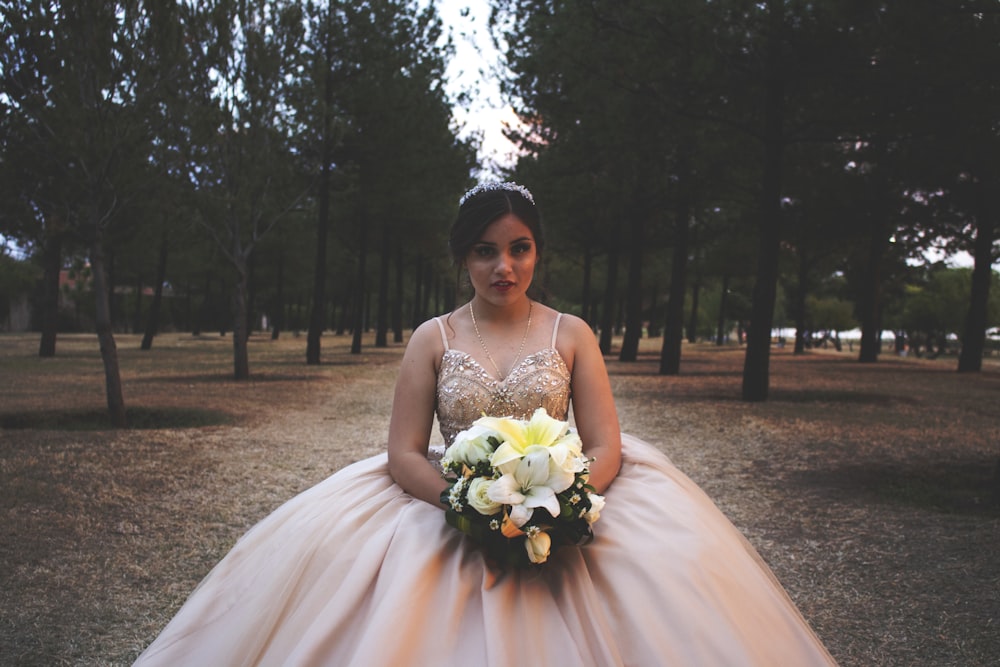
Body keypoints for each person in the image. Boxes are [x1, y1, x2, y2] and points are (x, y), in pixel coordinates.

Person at [135, 182, 836, 666]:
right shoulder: (431, 338)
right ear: (462, 256)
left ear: (538, 251)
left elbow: (605, 443)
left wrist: (558, 504)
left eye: (520, 247)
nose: (504, 265)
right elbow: (404, 451)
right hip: (448, 503)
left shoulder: (573, 333)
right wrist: (468, 504)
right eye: (485, 250)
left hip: (565, 499)